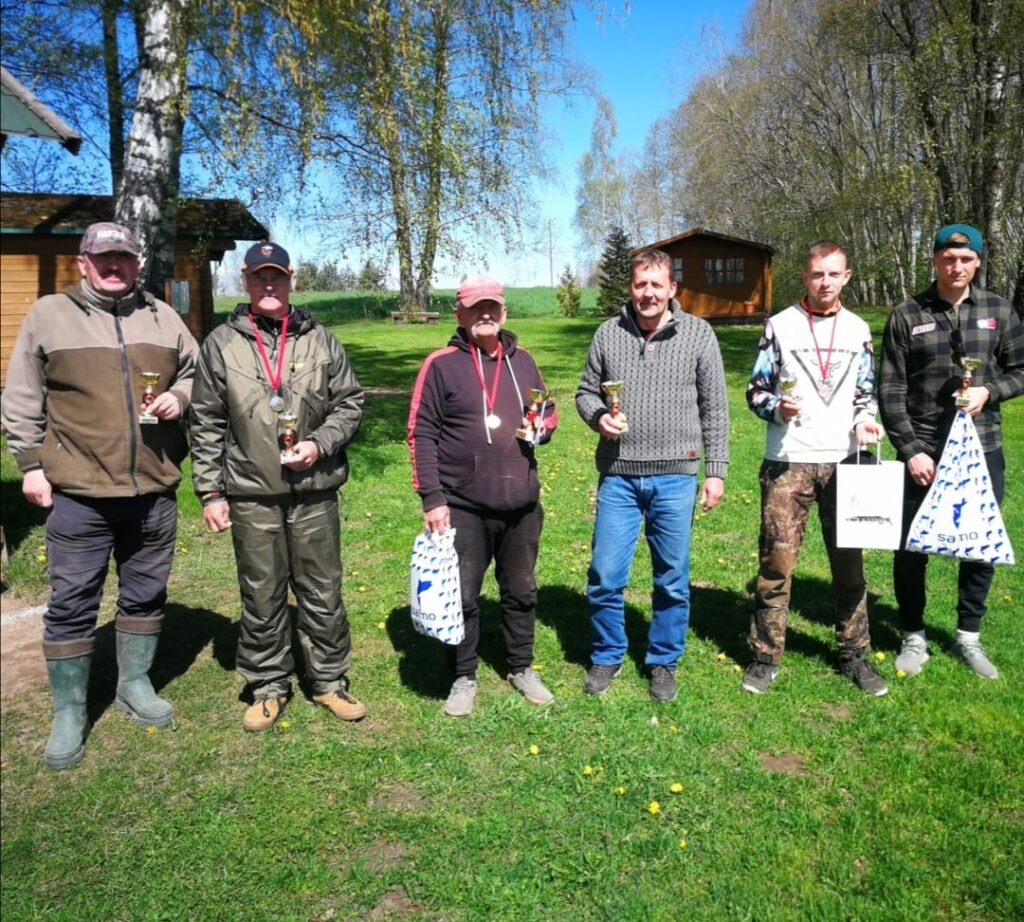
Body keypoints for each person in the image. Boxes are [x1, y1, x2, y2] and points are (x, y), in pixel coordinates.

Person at [1, 221, 198, 769]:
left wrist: (180, 397)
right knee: (71, 604)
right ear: (82, 261)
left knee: (145, 593)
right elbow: (21, 395)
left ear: (137, 264)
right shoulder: (49, 314)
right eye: (104, 259)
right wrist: (30, 465)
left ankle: (134, 683)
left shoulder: (161, 315)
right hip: (80, 492)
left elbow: (198, 371)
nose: (116, 268)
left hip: (153, 488)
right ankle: (69, 712)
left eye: (125, 259)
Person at [190, 241, 366, 730]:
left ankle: (329, 682)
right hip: (251, 495)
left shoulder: (321, 339)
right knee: (262, 593)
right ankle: (269, 685)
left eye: (278, 277)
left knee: (322, 590)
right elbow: (204, 421)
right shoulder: (220, 344)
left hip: (314, 491)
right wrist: (210, 490)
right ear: (244, 282)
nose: (269, 285)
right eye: (259, 277)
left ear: (291, 280)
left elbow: (349, 403)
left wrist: (321, 444)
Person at [576, 248, 729, 702]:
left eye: (656, 285)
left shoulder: (699, 334)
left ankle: (663, 661)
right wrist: (600, 415)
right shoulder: (608, 333)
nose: (648, 293)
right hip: (619, 477)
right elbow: (584, 392)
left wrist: (715, 472)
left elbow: (715, 409)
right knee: (605, 574)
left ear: (671, 289)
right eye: (640, 284)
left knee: (671, 577)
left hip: (676, 476)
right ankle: (607, 654)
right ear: (631, 287)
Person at [741, 242, 888, 696]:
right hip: (789, 461)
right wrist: (775, 407)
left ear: (847, 277)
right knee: (777, 563)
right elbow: (755, 390)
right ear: (805, 278)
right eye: (816, 274)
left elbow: (866, 391)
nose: (824, 282)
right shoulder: (780, 325)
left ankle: (854, 654)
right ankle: (766, 656)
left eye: (833, 274)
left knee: (850, 566)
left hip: (844, 463)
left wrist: (866, 421)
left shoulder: (859, 329)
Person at [408, 274, 558, 716]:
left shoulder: (525, 360)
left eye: (492, 306)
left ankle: (521, 666)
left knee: (522, 590)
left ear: (504, 312)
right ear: (460, 314)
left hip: (522, 504)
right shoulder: (440, 364)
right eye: (476, 308)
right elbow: (421, 433)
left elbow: (547, 412)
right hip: (463, 505)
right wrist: (432, 498)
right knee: (464, 596)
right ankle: (463, 675)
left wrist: (543, 428)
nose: (485, 314)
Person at [880, 223, 1024, 679]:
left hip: (982, 448)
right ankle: (913, 634)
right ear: (935, 260)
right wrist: (909, 449)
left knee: (979, 547)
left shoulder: (1000, 311)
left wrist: (990, 392)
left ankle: (969, 636)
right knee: (909, 547)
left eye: (965, 259)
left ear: (978, 262)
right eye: (948, 257)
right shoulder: (907, 314)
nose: (956, 266)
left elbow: (1022, 370)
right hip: (924, 449)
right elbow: (890, 387)